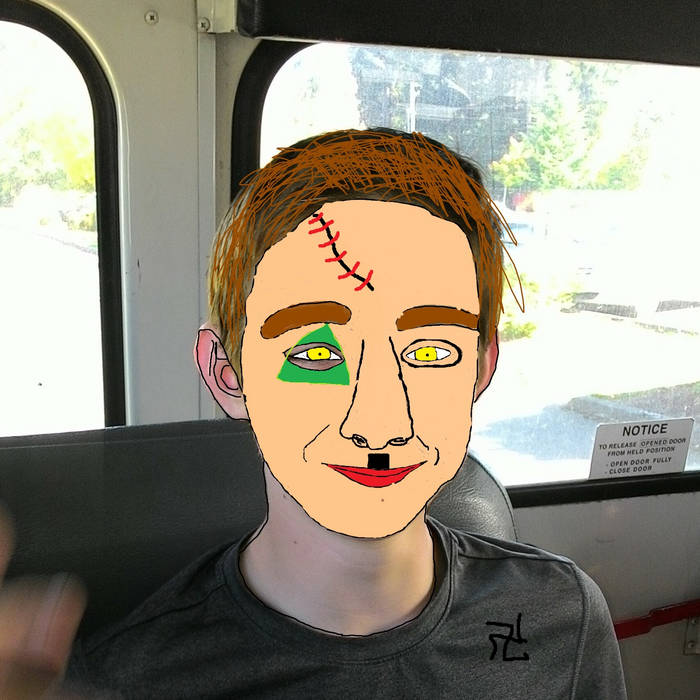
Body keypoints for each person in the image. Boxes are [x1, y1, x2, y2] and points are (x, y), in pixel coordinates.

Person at [0, 129, 627, 698]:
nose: (380, 424)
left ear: (480, 369)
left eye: (431, 352)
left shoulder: (561, 617)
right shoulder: (130, 680)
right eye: (317, 353)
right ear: (227, 374)